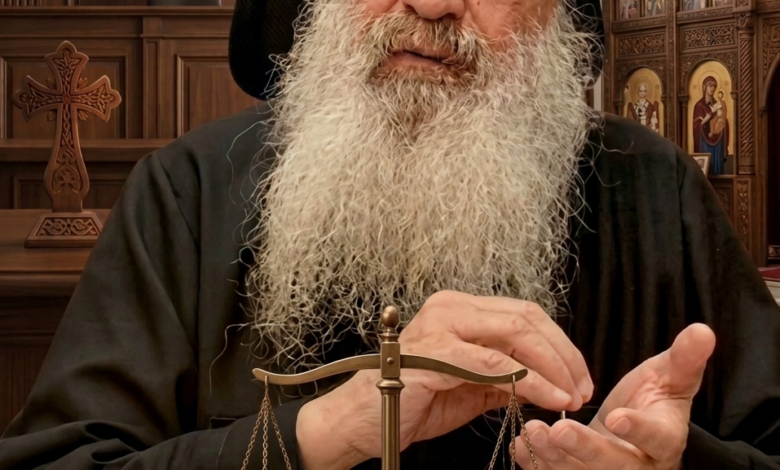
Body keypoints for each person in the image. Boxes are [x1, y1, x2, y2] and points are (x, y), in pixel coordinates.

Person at [1, 0, 779, 469]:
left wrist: (677, 459)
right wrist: (329, 430)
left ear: (557, 14)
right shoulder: (189, 191)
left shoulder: (654, 190)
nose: (433, 5)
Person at [693, 76, 730, 175]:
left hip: (718, 141)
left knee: (718, 168)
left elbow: (723, 118)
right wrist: (711, 113)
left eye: (714, 86)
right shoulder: (699, 106)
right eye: (710, 86)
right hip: (704, 143)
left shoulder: (718, 104)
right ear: (704, 87)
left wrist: (722, 123)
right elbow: (696, 126)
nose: (712, 88)